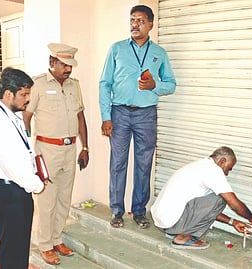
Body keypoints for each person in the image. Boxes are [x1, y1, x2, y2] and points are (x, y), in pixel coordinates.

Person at [99, 5, 176, 229]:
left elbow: (171, 85)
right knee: (117, 163)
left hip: (146, 115)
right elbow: (105, 84)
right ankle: (116, 210)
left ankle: (140, 211)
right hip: (119, 112)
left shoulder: (159, 54)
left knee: (144, 163)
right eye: (132, 20)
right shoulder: (117, 49)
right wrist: (106, 116)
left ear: (150, 24)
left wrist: (155, 85)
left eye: (140, 20)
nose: (135, 24)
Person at [24, 43, 89, 265]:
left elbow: (80, 117)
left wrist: (85, 147)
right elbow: (26, 118)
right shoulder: (38, 85)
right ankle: (44, 245)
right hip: (47, 150)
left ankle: (57, 239)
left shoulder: (74, 86)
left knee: (63, 199)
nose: (68, 69)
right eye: (64, 65)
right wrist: (30, 152)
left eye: (70, 65)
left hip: (70, 150)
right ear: (52, 63)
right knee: (46, 201)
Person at [0, 67, 45, 269]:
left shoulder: (11, 116)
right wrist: (36, 184)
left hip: (17, 190)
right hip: (9, 191)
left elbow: (24, 152)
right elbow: (12, 164)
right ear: (9, 94)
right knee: (11, 248)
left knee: (20, 246)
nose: (27, 99)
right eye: (24, 94)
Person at [150, 146, 252, 249]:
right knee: (221, 199)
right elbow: (234, 205)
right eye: (229, 168)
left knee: (217, 198)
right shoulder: (213, 171)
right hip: (172, 222)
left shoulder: (200, 165)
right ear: (222, 161)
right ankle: (183, 238)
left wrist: (233, 222)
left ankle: (175, 232)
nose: (227, 173)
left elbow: (205, 210)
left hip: (163, 222)